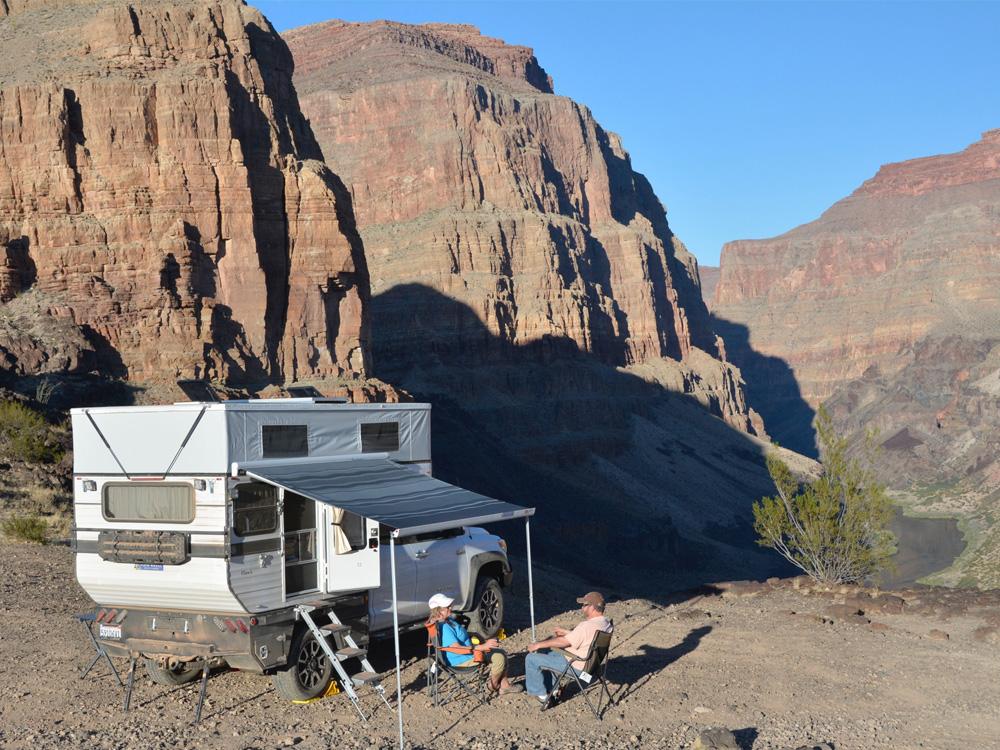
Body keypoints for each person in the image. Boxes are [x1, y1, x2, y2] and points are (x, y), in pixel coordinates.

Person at [523, 591, 613, 706]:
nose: (582, 608)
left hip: (576, 666)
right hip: (592, 666)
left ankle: (542, 696)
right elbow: (589, 638)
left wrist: (538, 644)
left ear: (592, 607)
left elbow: (564, 642)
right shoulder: (605, 624)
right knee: (549, 653)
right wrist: (567, 632)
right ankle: (554, 690)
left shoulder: (586, 626)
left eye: (584, 605)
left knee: (531, 658)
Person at [426, 593, 523, 695]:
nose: (451, 607)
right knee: (499, 657)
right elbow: (457, 649)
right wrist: (482, 647)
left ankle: (505, 686)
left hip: (466, 654)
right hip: (461, 660)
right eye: (447, 607)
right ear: (438, 610)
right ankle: (493, 686)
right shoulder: (445, 628)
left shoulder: (446, 620)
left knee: (501, 653)